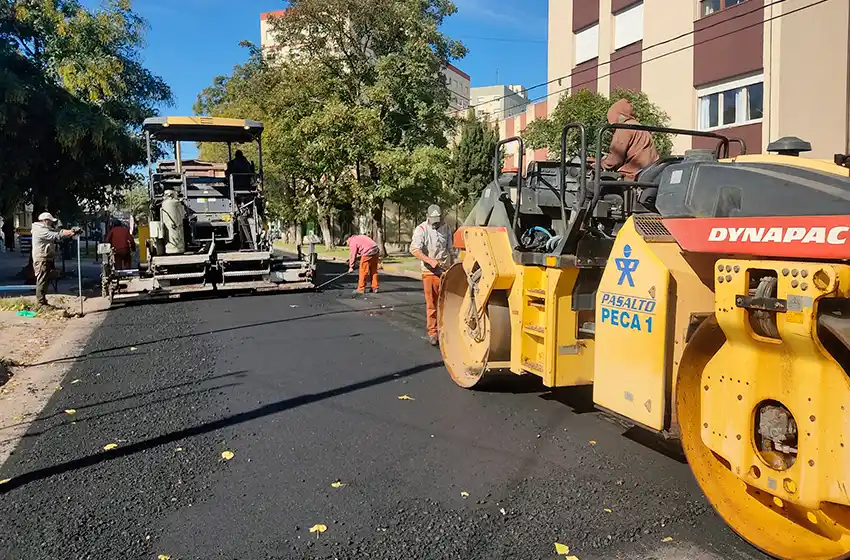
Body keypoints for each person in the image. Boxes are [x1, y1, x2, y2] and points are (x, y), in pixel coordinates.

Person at [409, 205, 454, 346]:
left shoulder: (446, 228)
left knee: (446, 303)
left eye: (438, 220)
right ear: (427, 217)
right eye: (433, 220)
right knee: (432, 304)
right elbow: (414, 249)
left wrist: (453, 264)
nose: (436, 223)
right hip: (429, 272)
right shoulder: (421, 230)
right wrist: (429, 260)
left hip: (444, 270)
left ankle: (445, 330)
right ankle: (433, 332)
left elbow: (450, 248)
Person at [595, 98, 660, 181]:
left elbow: (614, 160)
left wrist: (599, 163)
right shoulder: (638, 126)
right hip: (648, 172)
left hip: (632, 175)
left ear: (616, 116)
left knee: (590, 187)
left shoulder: (623, 129)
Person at [31, 212, 78, 306]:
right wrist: (71, 232)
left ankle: (42, 301)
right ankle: (40, 303)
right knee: (42, 280)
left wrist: (69, 231)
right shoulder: (40, 230)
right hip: (41, 258)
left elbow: (57, 231)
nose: (52, 223)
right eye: (51, 221)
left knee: (46, 279)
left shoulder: (44, 228)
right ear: (45, 221)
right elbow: (56, 235)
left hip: (46, 257)